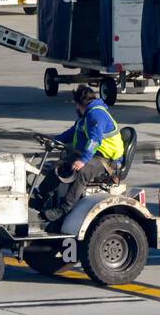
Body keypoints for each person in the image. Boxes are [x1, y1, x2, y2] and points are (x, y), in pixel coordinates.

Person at [31, 85, 125, 224]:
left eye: (76, 104)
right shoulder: (86, 116)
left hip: (108, 160)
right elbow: (72, 133)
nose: (75, 108)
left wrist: (83, 160)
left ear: (80, 104)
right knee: (60, 166)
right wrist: (54, 141)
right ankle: (40, 197)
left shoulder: (96, 115)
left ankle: (64, 208)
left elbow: (95, 140)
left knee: (82, 171)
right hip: (94, 155)